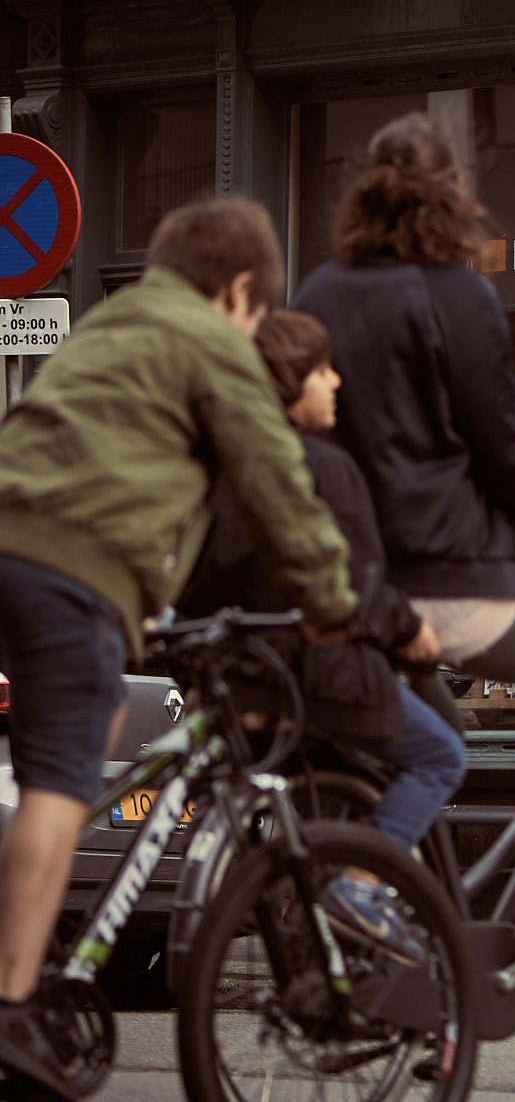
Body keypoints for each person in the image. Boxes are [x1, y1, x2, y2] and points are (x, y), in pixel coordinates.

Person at [0, 199, 358, 1095]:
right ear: (238, 292)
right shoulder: (211, 342)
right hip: (69, 569)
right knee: (57, 785)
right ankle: (12, 1006)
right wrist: (333, 606)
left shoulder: (111, 323)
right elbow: (275, 481)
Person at [293, 112, 515, 940]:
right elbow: (509, 455)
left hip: (351, 584)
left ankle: (413, 935)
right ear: (454, 197)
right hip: (444, 573)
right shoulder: (460, 296)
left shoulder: (318, 291)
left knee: (441, 737)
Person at [178, 310, 465, 962]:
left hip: (238, 676)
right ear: (288, 384)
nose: (335, 381)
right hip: (312, 676)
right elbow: (354, 585)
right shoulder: (323, 468)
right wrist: (411, 629)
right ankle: (360, 890)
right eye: (321, 370)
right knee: (441, 754)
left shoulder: (213, 468)